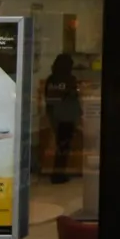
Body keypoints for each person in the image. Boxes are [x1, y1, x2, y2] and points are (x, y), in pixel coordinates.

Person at [42, 53, 80, 184]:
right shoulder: (70, 79)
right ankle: (58, 174)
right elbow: (73, 96)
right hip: (67, 116)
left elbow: (48, 98)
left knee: (59, 145)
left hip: (55, 115)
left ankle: (57, 173)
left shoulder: (51, 79)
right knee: (64, 147)